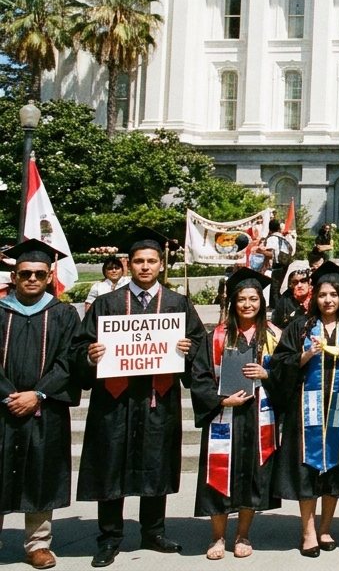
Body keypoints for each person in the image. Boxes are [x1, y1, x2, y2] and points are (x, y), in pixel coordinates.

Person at [77, 228, 203, 567]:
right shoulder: (107, 303)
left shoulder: (178, 304)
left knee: (156, 460)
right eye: (138, 262)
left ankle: (154, 531)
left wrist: (188, 351)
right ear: (128, 264)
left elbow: (199, 348)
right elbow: (78, 347)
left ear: (161, 265)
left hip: (157, 399)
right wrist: (90, 354)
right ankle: (110, 537)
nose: (145, 267)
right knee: (110, 463)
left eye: (151, 261)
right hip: (114, 400)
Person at [189, 267, 282, 559]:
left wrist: (268, 373)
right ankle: (217, 537)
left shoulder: (273, 336)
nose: (247, 305)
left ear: (261, 302)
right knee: (219, 476)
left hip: (257, 417)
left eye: (253, 299)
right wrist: (220, 401)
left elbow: (286, 374)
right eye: (242, 299)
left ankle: (243, 534)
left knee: (251, 475)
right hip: (224, 415)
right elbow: (200, 376)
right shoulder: (216, 336)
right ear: (233, 302)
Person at [0, 240, 81, 569]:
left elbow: (68, 363)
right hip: (2, 407)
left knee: (41, 472)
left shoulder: (63, 314)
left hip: (45, 408)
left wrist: (38, 394)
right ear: (14, 276)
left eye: (39, 273)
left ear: (50, 276)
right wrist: (7, 394)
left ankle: (38, 544)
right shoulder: (0, 310)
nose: (32, 278)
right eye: (25, 273)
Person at [270, 261, 339, 557]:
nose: (328, 300)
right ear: (314, 298)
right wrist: (305, 355)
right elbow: (280, 363)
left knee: (333, 469)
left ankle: (325, 528)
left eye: (333, 294)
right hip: (305, 411)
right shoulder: (300, 326)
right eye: (322, 295)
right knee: (307, 469)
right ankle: (308, 532)